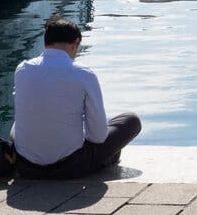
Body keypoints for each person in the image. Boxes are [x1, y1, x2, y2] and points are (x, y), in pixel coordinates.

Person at [12, 17, 141, 179]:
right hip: (71, 167)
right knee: (131, 120)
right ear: (75, 43)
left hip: (26, 167)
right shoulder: (83, 74)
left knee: (19, 123)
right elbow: (98, 136)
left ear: (45, 43)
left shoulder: (22, 69)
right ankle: (106, 158)